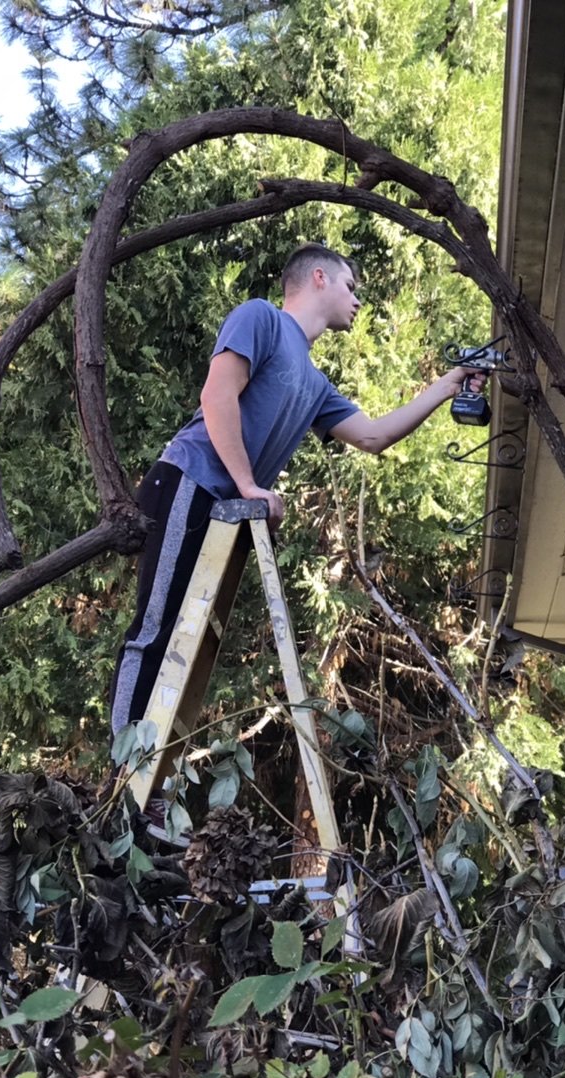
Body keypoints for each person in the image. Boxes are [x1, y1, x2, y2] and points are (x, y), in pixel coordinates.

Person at [110, 242, 486, 738]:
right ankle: (125, 764)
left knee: (185, 641)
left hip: (223, 508)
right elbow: (217, 394)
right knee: (157, 628)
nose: (357, 299)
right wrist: (249, 485)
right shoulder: (261, 318)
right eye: (350, 286)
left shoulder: (315, 383)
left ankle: (149, 764)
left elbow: (373, 436)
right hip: (188, 480)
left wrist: (450, 384)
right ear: (318, 278)